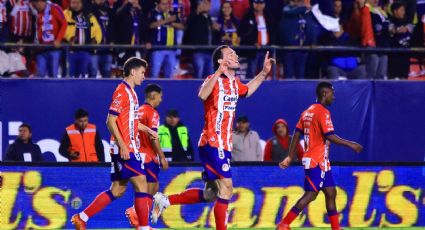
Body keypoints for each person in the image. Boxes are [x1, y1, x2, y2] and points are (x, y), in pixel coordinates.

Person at [151, 45, 275, 230]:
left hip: (224, 144)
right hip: (212, 140)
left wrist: (263, 73)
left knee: (211, 193)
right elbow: (202, 95)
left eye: (235, 53)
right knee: (227, 187)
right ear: (220, 61)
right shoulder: (213, 79)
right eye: (230, 54)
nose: (236, 55)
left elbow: (247, 91)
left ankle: (165, 200)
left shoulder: (235, 83)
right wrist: (218, 71)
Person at [71, 57, 156, 230]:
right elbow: (110, 121)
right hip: (126, 147)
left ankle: (82, 217)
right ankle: (144, 226)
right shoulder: (121, 91)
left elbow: (131, 121)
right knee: (142, 183)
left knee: (117, 189)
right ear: (133, 72)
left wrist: (148, 130)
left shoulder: (132, 93)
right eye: (142, 72)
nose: (143, 76)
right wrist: (123, 145)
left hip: (128, 146)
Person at [276, 81, 363, 230]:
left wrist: (290, 156)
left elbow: (296, 135)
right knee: (311, 194)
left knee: (331, 192)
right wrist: (351, 144)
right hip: (316, 160)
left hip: (320, 161)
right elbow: (330, 136)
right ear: (324, 93)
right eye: (332, 93)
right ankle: (284, 224)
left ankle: (336, 227)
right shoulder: (323, 112)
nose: (333, 97)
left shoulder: (307, 111)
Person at [124, 84, 169, 228]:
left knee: (151, 188)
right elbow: (153, 137)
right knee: (149, 190)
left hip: (137, 154)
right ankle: (136, 213)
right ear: (153, 96)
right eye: (160, 97)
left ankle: (139, 218)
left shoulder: (137, 111)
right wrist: (162, 156)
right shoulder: (152, 113)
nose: (161, 100)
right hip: (149, 156)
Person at [64, 0, 102, 78]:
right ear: (70, 4)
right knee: (70, 76)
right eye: (73, 3)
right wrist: (69, 37)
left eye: (78, 3)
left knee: (83, 76)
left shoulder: (89, 15)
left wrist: (95, 40)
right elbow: (62, 29)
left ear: (82, 4)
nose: (76, 5)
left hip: (85, 51)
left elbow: (98, 31)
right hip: (71, 51)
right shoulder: (65, 14)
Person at [30, 0, 67, 78]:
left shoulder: (55, 8)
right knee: (40, 75)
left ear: (40, 2)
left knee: (53, 75)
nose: (35, 7)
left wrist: (58, 40)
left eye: (36, 5)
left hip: (54, 48)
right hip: (42, 49)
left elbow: (64, 23)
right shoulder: (37, 13)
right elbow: (38, 29)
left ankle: (54, 90)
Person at [148, 0, 184, 78]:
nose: (166, 6)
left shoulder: (171, 14)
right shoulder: (153, 13)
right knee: (154, 74)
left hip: (171, 49)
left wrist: (172, 23)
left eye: (167, 4)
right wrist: (167, 20)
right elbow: (151, 25)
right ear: (157, 4)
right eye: (163, 4)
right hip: (158, 49)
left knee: (170, 75)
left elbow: (182, 27)